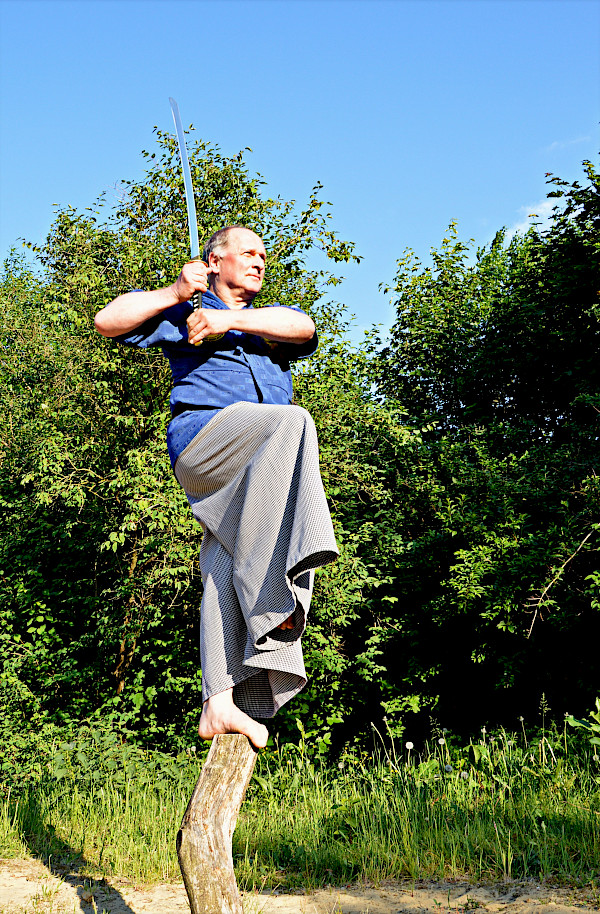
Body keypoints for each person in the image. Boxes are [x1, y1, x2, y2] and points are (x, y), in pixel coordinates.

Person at [94, 226, 339, 749]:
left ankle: (219, 703)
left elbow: (303, 325)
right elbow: (106, 321)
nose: (260, 261)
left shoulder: (263, 323)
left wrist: (227, 320)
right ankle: (275, 603)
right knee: (293, 421)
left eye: (264, 255)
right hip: (206, 442)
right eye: (248, 253)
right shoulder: (187, 310)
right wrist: (175, 295)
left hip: (258, 462)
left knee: (223, 564)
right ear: (215, 259)